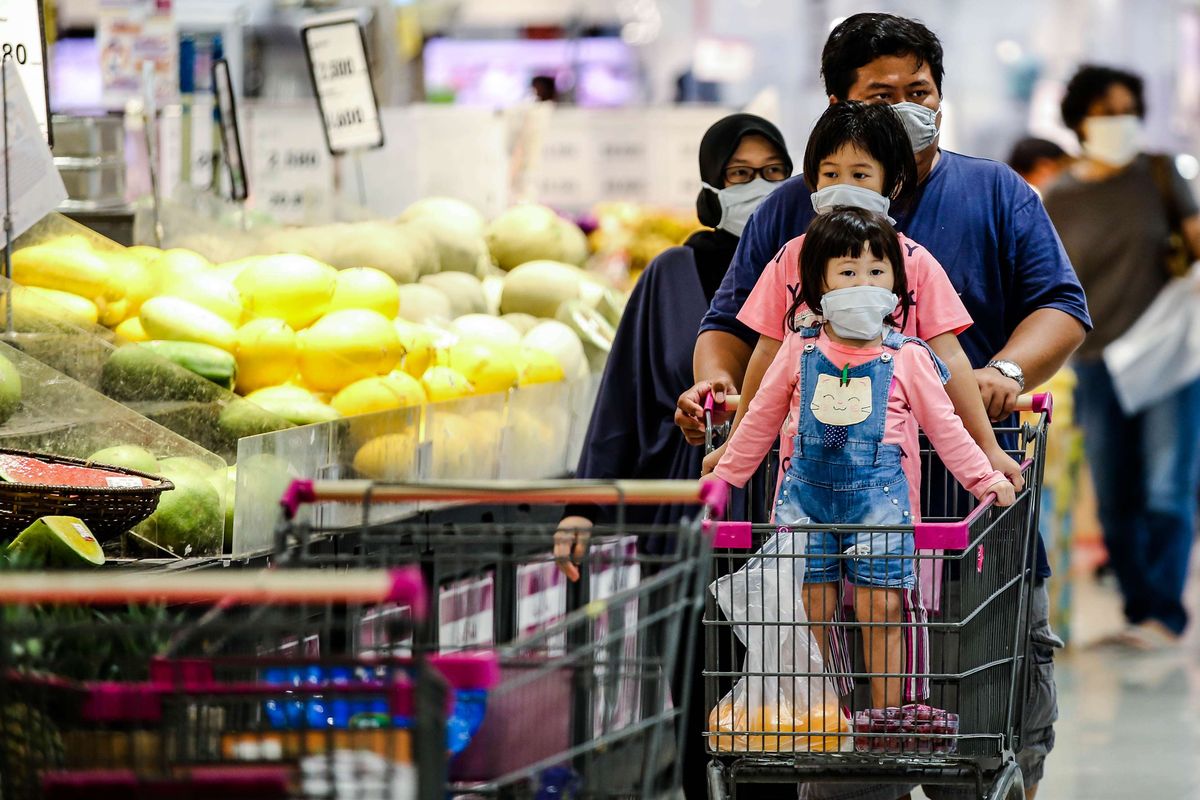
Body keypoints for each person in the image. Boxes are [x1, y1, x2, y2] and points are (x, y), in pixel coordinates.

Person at [676, 13, 1091, 800]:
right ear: (839, 101)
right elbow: (734, 330)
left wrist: (1003, 372)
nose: (907, 107)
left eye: (921, 91)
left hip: (972, 525)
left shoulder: (994, 193)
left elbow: (1061, 308)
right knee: (847, 761)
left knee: (990, 731)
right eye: (882, 93)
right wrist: (722, 392)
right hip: (827, 513)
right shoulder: (793, 216)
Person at [554, 113, 792, 800]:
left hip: (785, 530)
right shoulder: (669, 276)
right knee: (698, 709)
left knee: (785, 713)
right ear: (712, 189)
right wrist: (582, 507)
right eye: (741, 175)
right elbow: (622, 401)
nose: (760, 188)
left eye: (776, 173)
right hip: (683, 533)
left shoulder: (815, 271)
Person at [710, 208, 1015, 712]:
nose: (864, 283)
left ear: (896, 281)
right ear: (818, 282)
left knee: (883, 606)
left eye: (877, 272)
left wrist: (985, 477)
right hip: (803, 503)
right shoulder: (797, 349)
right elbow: (759, 423)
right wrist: (724, 479)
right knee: (809, 608)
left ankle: (888, 717)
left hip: (882, 507)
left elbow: (946, 430)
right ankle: (824, 714)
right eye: (847, 272)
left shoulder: (910, 356)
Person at [702, 102, 1025, 504]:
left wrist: (989, 450)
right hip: (800, 481)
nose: (845, 186)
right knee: (798, 565)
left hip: (889, 484)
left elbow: (951, 359)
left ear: (890, 183)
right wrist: (732, 447)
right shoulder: (790, 259)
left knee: (888, 563)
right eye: (831, 174)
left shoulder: (916, 263)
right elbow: (766, 356)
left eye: (860, 175)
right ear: (814, 182)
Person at [1042, 65, 1200, 649]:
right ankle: (1140, 608)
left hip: (1167, 359)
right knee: (1115, 493)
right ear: (1079, 119)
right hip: (1095, 362)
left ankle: (1163, 613)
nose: (1120, 122)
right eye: (1106, 111)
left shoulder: (1159, 175)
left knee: (1167, 488)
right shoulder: (1060, 195)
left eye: (1129, 108)